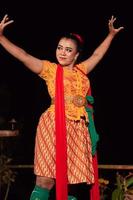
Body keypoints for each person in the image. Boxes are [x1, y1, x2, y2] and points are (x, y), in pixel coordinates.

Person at [0, 14, 124, 200]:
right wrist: (1, 37)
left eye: (68, 49)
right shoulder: (50, 70)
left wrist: (111, 36)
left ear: (76, 54)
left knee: (72, 182)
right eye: (59, 48)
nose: (62, 52)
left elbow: (97, 54)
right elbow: (23, 56)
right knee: (45, 179)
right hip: (54, 125)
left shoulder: (83, 70)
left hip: (78, 129)